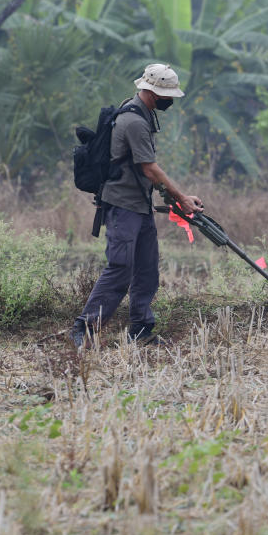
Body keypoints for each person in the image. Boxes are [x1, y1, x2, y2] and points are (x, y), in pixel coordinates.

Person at [70, 63, 204, 348]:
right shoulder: (134, 121)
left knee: (147, 268)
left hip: (139, 204)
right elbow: (150, 169)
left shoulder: (142, 114)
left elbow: (146, 172)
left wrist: (179, 198)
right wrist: (181, 197)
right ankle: (85, 327)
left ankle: (141, 329)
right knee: (121, 266)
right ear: (152, 92)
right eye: (166, 95)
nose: (169, 101)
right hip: (122, 205)